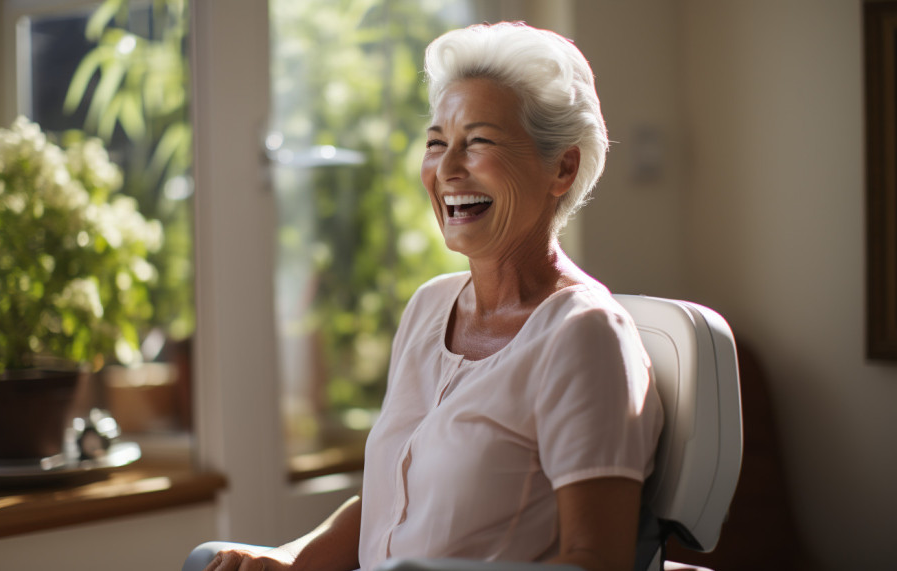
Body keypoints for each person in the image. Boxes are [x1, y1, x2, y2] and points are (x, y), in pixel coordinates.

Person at [203, 21, 663, 571]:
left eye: (479, 142)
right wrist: (288, 559)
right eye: (436, 143)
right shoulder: (429, 308)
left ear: (562, 167)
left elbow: (596, 562)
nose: (446, 169)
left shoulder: (584, 335)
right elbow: (392, 501)